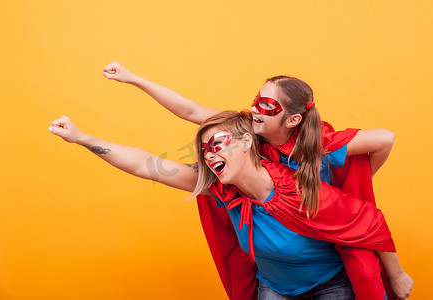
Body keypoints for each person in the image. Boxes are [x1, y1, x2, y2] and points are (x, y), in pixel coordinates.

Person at [100, 61, 413, 299]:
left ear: (292, 120)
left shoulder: (319, 148)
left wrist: (349, 184)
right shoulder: (247, 136)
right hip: (275, 279)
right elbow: (190, 109)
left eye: (266, 105)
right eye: (256, 100)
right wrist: (132, 78)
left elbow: (385, 139)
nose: (254, 109)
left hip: (330, 264)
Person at [49, 111, 411, 299]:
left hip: (333, 283)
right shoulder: (219, 189)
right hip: (276, 288)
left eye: (219, 142)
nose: (210, 153)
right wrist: (82, 138)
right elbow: (145, 165)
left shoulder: (299, 183)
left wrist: (395, 275)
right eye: (205, 149)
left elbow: (368, 223)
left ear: (246, 144)